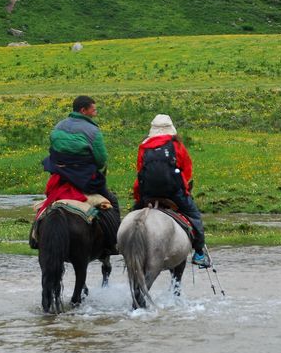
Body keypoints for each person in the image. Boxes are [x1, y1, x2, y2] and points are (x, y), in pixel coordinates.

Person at [133, 114, 208, 266]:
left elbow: (140, 171)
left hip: (148, 194)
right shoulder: (177, 145)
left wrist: (138, 196)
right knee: (194, 215)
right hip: (173, 193)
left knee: (133, 217)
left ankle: (121, 244)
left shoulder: (144, 146)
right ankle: (199, 253)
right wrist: (184, 188)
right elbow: (186, 169)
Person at [43, 95, 120, 215]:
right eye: (93, 110)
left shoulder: (58, 126)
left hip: (60, 177)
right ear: (83, 110)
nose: (96, 112)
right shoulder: (93, 131)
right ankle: (115, 233)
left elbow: (53, 150)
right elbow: (101, 160)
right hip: (85, 180)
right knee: (113, 201)